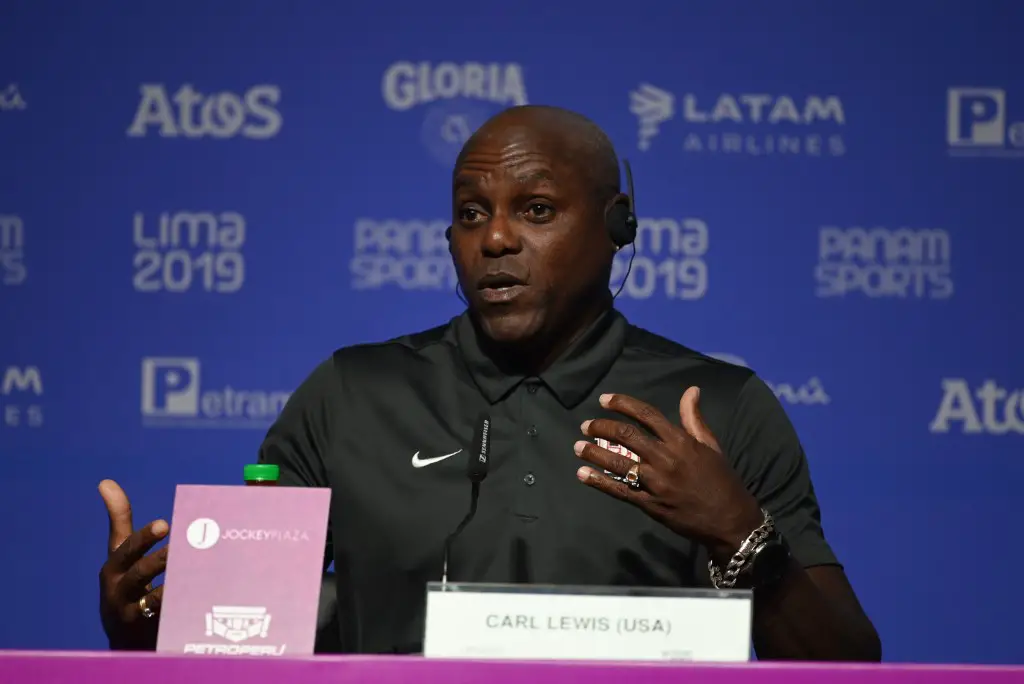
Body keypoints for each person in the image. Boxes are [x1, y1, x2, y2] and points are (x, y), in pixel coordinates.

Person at [98, 105, 881, 660]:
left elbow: (849, 662)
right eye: (471, 214)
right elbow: (233, 633)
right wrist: (144, 626)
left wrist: (741, 535)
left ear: (617, 228)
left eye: (535, 208)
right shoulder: (350, 394)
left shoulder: (715, 408)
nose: (497, 237)